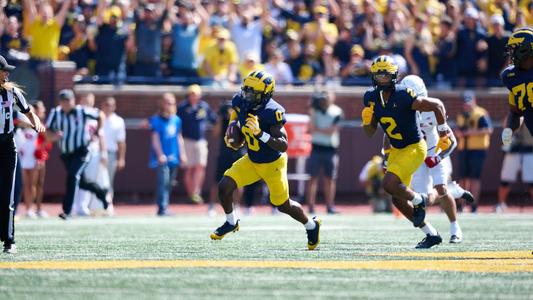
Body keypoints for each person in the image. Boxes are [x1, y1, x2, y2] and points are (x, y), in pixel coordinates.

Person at [210, 70, 321, 250]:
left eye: (252, 94)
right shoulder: (241, 100)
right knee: (224, 186)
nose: (247, 96)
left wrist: (260, 134)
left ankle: (311, 225)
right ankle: (231, 222)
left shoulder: (272, 112)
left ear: (265, 95)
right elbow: (235, 112)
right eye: (246, 91)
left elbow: (283, 144)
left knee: (283, 205)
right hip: (252, 160)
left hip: (273, 164)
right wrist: (232, 127)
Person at [361, 55, 451, 249]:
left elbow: (437, 105)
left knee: (389, 184)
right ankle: (431, 234)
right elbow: (369, 133)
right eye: (378, 75)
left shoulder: (403, 94)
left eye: (386, 75)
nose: (382, 79)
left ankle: (420, 200)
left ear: (394, 76)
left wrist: (443, 131)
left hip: (415, 147)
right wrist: (367, 121)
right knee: (397, 199)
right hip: (397, 150)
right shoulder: (371, 97)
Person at [401, 75, 474, 244]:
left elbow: (452, 140)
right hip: (416, 156)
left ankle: (455, 227)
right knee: (424, 200)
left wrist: (439, 156)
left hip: (434, 152)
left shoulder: (432, 109)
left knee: (441, 189)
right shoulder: (402, 111)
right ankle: (453, 190)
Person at [0, 55, 45, 253]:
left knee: (7, 195)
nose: (7, 74)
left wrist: (36, 121)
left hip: (7, 145)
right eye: (4, 70)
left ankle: (9, 240)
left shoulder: (13, 93)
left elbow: (27, 111)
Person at [46, 89, 110, 220]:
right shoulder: (55, 113)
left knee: (73, 176)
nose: (66, 104)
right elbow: (48, 132)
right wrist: (53, 136)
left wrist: (98, 131)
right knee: (82, 182)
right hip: (66, 154)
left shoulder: (82, 111)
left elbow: (100, 115)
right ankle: (101, 193)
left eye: (68, 100)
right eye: (63, 101)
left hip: (82, 151)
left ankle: (67, 211)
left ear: (73, 101)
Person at [177, 84, 217, 203]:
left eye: (196, 94)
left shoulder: (203, 106)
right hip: (187, 140)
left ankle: (196, 192)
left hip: (201, 140)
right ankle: (191, 194)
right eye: (192, 94)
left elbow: (214, 119)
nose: (194, 96)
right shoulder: (183, 107)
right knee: (189, 167)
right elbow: (177, 124)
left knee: (200, 166)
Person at [149, 93, 187, 216]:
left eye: (172, 103)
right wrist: (160, 154)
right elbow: (155, 138)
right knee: (163, 182)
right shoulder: (156, 119)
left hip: (173, 156)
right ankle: (162, 208)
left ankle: (165, 205)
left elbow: (179, 137)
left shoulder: (176, 120)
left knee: (170, 183)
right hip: (162, 157)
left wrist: (182, 154)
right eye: (168, 102)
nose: (170, 105)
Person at [454, 90, 493, 212]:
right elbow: (459, 129)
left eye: (469, 102)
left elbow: (488, 130)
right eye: (465, 103)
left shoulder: (480, 113)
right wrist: (459, 133)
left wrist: (470, 132)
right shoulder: (461, 114)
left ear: (474, 101)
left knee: (474, 178)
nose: (467, 105)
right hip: (463, 149)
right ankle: (461, 205)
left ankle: (474, 204)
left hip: (477, 150)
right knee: (462, 178)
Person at [306, 91, 343, 214]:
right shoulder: (315, 111)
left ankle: (330, 206)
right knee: (312, 178)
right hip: (316, 147)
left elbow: (332, 130)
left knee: (330, 178)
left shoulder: (337, 111)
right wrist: (311, 110)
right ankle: (310, 206)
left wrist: (319, 129)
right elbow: (310, 129)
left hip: (330, 149)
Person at [208, 100, 245, 217]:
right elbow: (215, 133)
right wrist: (221, 117)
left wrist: (235, 118)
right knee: (217, 180)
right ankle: (212, 206)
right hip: (224, 153)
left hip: (238, 153)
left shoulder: (241, 119)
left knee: (239, 181)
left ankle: (237, 206)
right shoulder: (222, 120)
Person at [501, 28, 533, 146]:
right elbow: (515, 112)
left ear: (525, 49)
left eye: (515, 48)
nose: (512, 53)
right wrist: (509, 129)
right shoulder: (511, 76)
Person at [497, 124, 533, 213]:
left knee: (531, 180)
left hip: (529, 151)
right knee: (505, 179)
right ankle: (501, 204)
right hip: (512, 150)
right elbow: (506, 128)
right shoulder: (513, 113)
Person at [101, 97, 126, 204]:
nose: (108, 107)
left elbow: (121, 142)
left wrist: (121, 158)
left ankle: (108, 205)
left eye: (111, 105)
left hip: (111, 154)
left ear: (114, 107)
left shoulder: (118, 121)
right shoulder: (96, 117)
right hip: (96, 153)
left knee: (108, 181)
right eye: (106, 104)